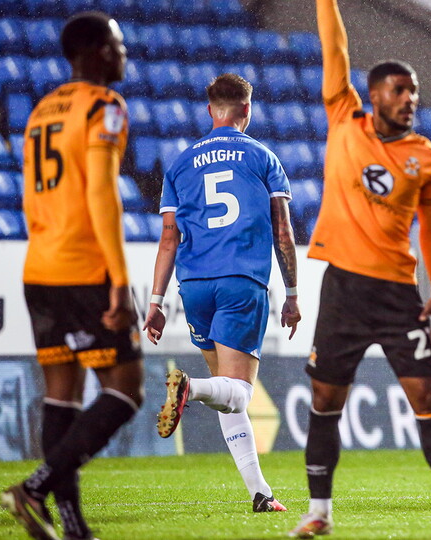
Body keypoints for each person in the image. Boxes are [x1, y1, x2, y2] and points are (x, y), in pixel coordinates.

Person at [290, 1, 431, 537]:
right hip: (341, 289)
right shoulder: (345, 115)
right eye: (400, 90)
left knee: (427, 396)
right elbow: (334, 48)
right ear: (376, 93)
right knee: (324, 399)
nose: (411, 99)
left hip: (398, 295)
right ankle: (318, 513)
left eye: (414, 92)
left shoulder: (424, 155)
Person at [0, 12, 143, 540]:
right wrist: (119, 281)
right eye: (118, 44)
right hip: (83, 266)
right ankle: (34, 489)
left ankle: (75, 526)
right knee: (126, 389)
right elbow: (102, 194)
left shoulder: (41, 110)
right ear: (98, 51)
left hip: (39, 266)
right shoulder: (104, 107)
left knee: (62, 392)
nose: (124, 53)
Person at [143, 73, 301, 513]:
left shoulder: (179, 164)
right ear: (247, 110)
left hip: (193, 286)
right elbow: (283, 232)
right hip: (241, 281)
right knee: (238, 392)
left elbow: (169, 239)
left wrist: (155, 304)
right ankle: (189, 388)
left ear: (210, 110)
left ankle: (260, 493)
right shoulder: (262, 157)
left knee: (228, 395)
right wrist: (291, 291)